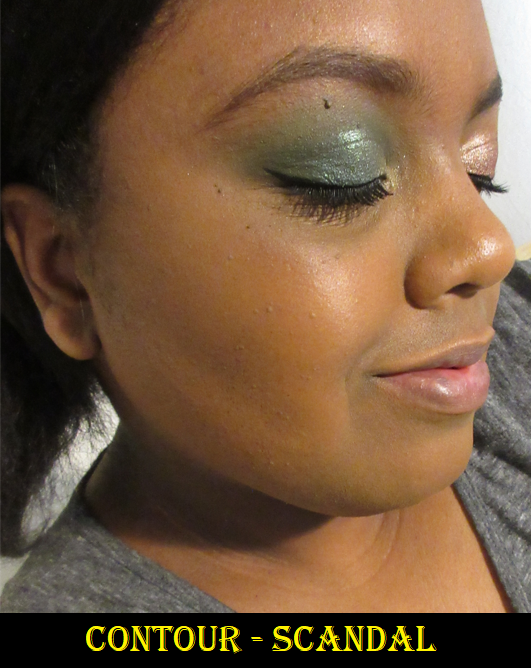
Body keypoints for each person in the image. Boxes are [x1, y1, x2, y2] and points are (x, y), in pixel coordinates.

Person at [1, 0, 530, 613]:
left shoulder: (508, 337)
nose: (488, 248)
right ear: (63, 270)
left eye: (477, 166)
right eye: (340, 172)